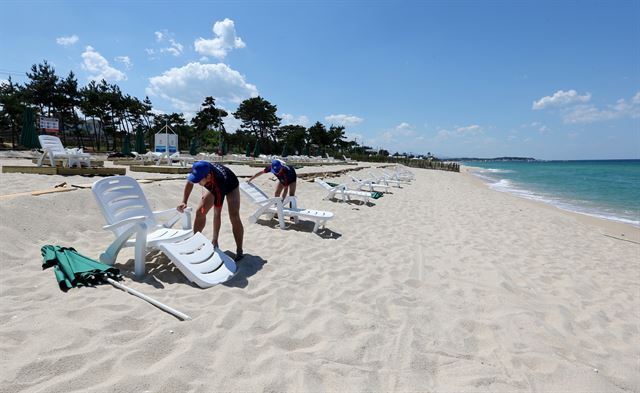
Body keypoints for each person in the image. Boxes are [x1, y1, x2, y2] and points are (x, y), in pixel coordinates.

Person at [177, 160, 244, 261]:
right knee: (200, 211)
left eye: (199, 180)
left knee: (234, 216)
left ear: (208, 177)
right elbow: (190, 182)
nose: (197, 182)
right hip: (213, 182)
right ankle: (195, 243)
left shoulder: (219, 185)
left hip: (230, 184)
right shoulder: (199, 168)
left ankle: (239, 251)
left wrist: (215, 239)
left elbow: (217, 215)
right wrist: (184, 201)